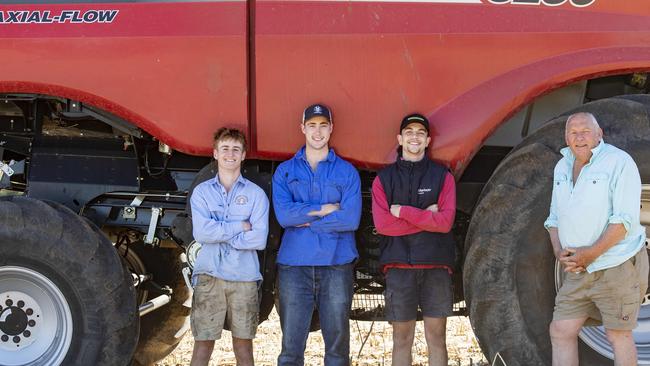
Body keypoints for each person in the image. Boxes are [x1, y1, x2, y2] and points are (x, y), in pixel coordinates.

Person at [545, 112, 648, 366]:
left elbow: (624, 221)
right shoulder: (562, 166)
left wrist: (590, 253)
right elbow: (554, 217)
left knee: (618, 334)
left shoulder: (619, 162)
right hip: (579, 270)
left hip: (616, 266)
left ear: (599, 134)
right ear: (566, 137)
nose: (579, 137)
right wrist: (558, 250)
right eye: (573, 132)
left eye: (585, 131)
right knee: (561, 330)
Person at [272, 103, 362, 366]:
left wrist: (307, 220)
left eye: (323, 125)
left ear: (331, 128)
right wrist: (324, 210)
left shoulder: (346, 172)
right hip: (294, 267)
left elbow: (350, 219)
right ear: (302, 128)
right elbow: (285, 217)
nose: (318, 131)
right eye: (312, 125)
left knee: (337, 350)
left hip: (336, 265)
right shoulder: (285, 171)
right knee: (291, 350)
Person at [371, 113, 456, 366]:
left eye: (420, 132)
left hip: (436, 267)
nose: (414, 137)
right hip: (399, 268)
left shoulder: (443, 177)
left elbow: (445, 223)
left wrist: (403, 212)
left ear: (428, 140)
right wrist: (426, 218)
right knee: (401, 338)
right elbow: (383, 225)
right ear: (400, 139)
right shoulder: (383, 179)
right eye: (409, 132)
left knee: (437, 337)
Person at [189, 127, 270, 366]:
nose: (230, 154)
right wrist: (239, 226)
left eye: (236, 149)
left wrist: (220, 231)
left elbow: (259, 239)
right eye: (225, 149)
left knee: (244, 346)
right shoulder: (201, 193)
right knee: (203, 344)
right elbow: (202, 233)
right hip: (209, 275)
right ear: (215, 153)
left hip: (244, 278)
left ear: (244, 155)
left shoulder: (256, 195)